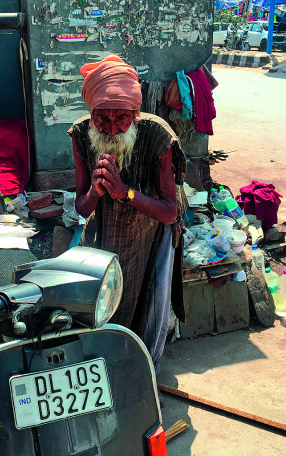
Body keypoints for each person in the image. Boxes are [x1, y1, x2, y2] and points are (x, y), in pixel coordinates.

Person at [69, 54, 185, 375]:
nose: (111, 128)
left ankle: (140, 374)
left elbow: (169, 211)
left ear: (136, 114)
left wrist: (125, 193)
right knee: (100, 305)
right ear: (90, 114)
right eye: (101, 119)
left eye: (121, 118)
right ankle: (104, 369)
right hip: (104, 231)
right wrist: (96, 192)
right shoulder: (82, 135)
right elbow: (82, 207)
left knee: (146, 305)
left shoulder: (157, 136)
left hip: (149, 231)